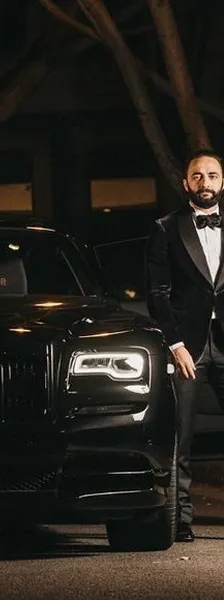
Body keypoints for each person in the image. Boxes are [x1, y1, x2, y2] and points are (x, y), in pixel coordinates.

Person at [146, 148, 224, 543]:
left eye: (212, 175)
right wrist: (175, 344)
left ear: (222, 182)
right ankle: (181, 519)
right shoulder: (166, 228)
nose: (204, 182)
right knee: (181, 437)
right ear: (185, 183)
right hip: (186, 348)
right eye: (197, 176)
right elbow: (157, 294)